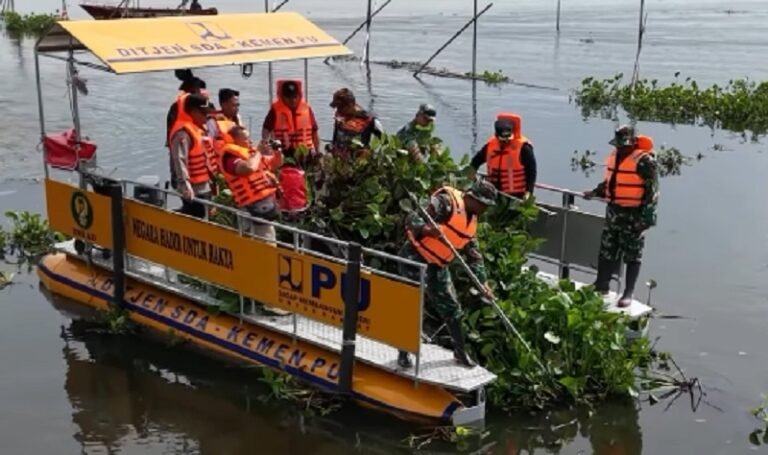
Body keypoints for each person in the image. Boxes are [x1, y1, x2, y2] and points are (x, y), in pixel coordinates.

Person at [397, 181, 497, 369]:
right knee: (412, 304)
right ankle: (403, 352)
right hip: (415, 257)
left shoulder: (472, 221)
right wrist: (428, 230)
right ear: (472, 197)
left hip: (438, 265)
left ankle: (460, 352)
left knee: (452, 309)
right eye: (483, 204)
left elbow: (474, 256)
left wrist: (483, 283)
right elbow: (412, 219)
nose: (484, 209)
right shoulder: (444, 203)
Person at [583, 125, 659, 307]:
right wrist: (595, 192)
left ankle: (628, 292)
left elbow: (653, 192)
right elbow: (612, 182)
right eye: (618, 145)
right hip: (614, 212)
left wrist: (646, 220)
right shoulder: (614, 156)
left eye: (624, 145)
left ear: (633, 143)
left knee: (632, 254)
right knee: (607, 250)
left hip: (634, 215)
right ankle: (601, 284)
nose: (620, 148)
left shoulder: (645, 161)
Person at [217, 126, 282, 241]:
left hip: (264, 204)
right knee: (263, 242)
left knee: (267, 237)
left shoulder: (251, 154)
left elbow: (275, 164)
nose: (250, 141)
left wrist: (277, 152)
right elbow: (248, 168)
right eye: (246, 139)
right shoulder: (230, 157)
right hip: (251, 208)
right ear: (234, 140)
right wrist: (259, 152)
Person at [168, 94, 217, 218]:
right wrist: (185, 185)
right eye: (204, 114)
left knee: (205, 215)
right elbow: (180, 160)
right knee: (196, 216)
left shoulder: (197, 128)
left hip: (204, 185)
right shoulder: (183, 133)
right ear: (194, 112)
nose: (207, 119)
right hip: (193, 188)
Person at [470, 113, 537, 200]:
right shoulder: (490, 146)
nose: (505, 142)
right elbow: (476, 161)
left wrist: (529, 191)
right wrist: (471, 173)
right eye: (502, 140)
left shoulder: (524, 148)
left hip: (516, 195)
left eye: (507, 140)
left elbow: (531, 172)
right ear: (497, 136)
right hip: (492, 193)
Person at [262, 80, 321, 166]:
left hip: (305, 152)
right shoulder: (275, 110)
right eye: (289, 97)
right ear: (283, 97)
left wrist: (317, 152)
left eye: (294, 97)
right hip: (284, 152)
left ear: (298, 96)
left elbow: (314, 132)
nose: (292, 100)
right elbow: (266, 129)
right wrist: (267, 144)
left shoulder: (306, 109)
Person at [328, 88, 384, 158]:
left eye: (341, 107)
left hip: (359, 163)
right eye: (337, 107)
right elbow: (335, 138)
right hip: (339, 161)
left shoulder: (370, 120)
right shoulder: (339, 116)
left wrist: (370, 153)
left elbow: (383, 143)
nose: (338, 110)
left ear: (351, 105)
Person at [166, 69, 208, 148]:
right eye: (198, 89)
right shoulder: (177, 107)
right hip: (183, 141)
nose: (200, 91)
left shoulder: (202, 105)